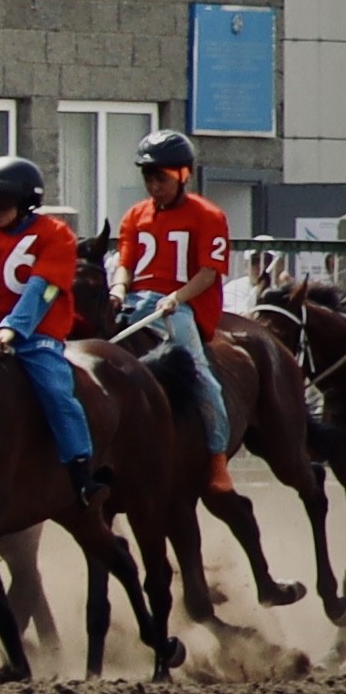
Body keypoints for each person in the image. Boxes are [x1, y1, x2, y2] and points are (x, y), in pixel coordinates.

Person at [0, 153, 102, 506]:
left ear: (26, 202)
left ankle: (82, 473)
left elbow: (44, 289)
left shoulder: (55, 236)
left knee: (55, 391)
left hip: (36, 336)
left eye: (3, 203)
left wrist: (14, 330)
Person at [113, 130, 240, 497]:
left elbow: (209, 272)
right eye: (148, 178)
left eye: (161, 178)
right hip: (136, 301)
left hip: (178, 307)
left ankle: (217, 456)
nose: (154, 186)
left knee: (201, 375)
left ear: (184, 175)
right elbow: (125, 264)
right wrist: (118, 289)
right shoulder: (135, 216)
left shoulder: (208, 215)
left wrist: (175, 297)